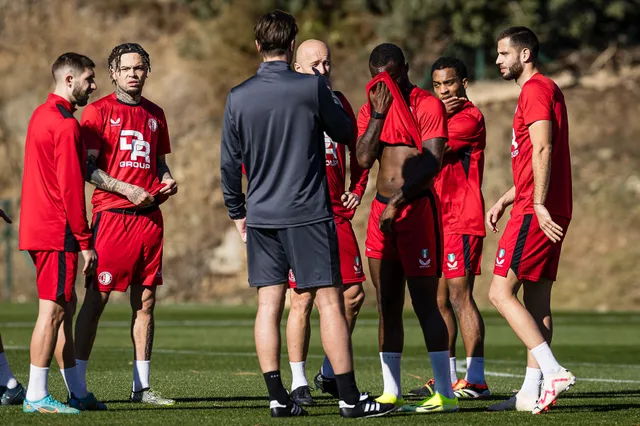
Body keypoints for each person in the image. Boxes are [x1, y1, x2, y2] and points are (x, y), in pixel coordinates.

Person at [221, 10, 395, 419]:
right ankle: (350, 399)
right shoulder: (312, 88)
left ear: (258, 45)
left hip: (261, 215)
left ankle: (278, 397)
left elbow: (229, 164)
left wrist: (237, 210)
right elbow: (346, 134)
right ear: (293, 43)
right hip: (307, 213)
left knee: (269, 305)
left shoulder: (237, 96)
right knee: (330, 303)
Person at [355, 43, 458, 413]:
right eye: (379, 76)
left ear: (407, 69)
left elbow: (431, 162)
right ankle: (391, 391)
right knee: (386, 305)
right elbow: (363, 158)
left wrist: (398, 203)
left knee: (426, 303)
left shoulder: (426, 103)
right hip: (380, 212)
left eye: (393, 74)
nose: (386, 82)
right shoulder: (372, 107)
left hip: (414, 210)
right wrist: (379, 115)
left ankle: (445, 392)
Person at [74, 43, 178, 406]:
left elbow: (159, 163)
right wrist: (126, 189)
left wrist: (167, 180)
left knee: (146, 302)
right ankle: (77, 385)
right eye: (126, 68)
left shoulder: (156, 114)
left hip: (149, 218)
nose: (133, 74)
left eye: (139, 68)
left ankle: (142, 388)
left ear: (147, 71)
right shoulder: (97, 113)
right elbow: (87, 169)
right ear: (113, 73)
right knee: (97, 300)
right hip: (113, 217)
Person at [487, 27, 575, 414]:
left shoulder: (536, 89)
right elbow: (531, 158)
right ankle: (530, 393)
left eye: (503, 53)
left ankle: (553, 372)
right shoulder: (541, 90)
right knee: (537, 298)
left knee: (498, 293)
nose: (498, 60)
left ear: (524, 54)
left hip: (536, 210)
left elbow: (543, 146)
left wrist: (535, 204)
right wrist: (508, 197)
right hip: (537, 204)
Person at [285, 39, 368, 406]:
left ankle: (329, 373)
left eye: (327, 63)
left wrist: (358, 187)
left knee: (353, 295)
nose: (323, 70)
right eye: (315, 64)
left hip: (336, 213)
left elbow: (359, 150)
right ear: (298, 68)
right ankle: (298, 381)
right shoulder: (287, 102)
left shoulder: (340, 102)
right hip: (301, 215)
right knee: (301, 299)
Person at [19, 53, 101, 414]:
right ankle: (36, 395)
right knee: (52, 312)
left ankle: (77, 392)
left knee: (65, 308)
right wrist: (85, 243)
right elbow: (70, 190)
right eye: (89, 79)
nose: (93, 86)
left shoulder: (41, 114)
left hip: (39, 227)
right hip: (56, 232)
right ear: (69, 80)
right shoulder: (66, 126)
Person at [410, 57, 489, 399]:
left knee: (460, 296)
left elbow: (427, 149)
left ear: (465, 84)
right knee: (439, 299)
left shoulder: (469, 119)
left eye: (450, 83)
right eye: (438, 85)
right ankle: (446, 377)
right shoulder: (440, 116)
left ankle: (477, 379)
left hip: (461, 217)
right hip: (436, 218)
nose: (444, 91)